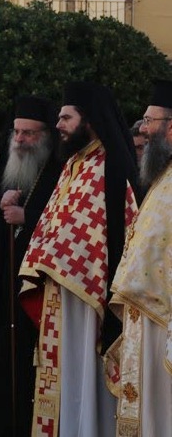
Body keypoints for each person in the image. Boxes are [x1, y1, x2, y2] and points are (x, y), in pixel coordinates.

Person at [19, 82, 139, 437]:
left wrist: (54, 260)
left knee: (85, 371)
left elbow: (112, 231)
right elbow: (52, 223)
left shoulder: (109, 166)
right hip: (62, 290)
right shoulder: (74, 163)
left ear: (88, 120)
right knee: (65, 372)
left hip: (90, 296)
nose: (59, 124)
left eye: (66, 117)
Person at [0, 96, 62, 436]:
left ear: (45, 137)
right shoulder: (6, 169)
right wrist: (0, 210)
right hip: (2, 297)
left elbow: (65, 224)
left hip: (37, 296)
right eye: (18, 132)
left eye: (30, 133)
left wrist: (28, 217)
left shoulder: (57, 171)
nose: (21, 140)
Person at [106, 79, 172, 435]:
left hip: (165, 324)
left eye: (150, 121)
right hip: (144, 319)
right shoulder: (162, 177)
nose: (143, 129)